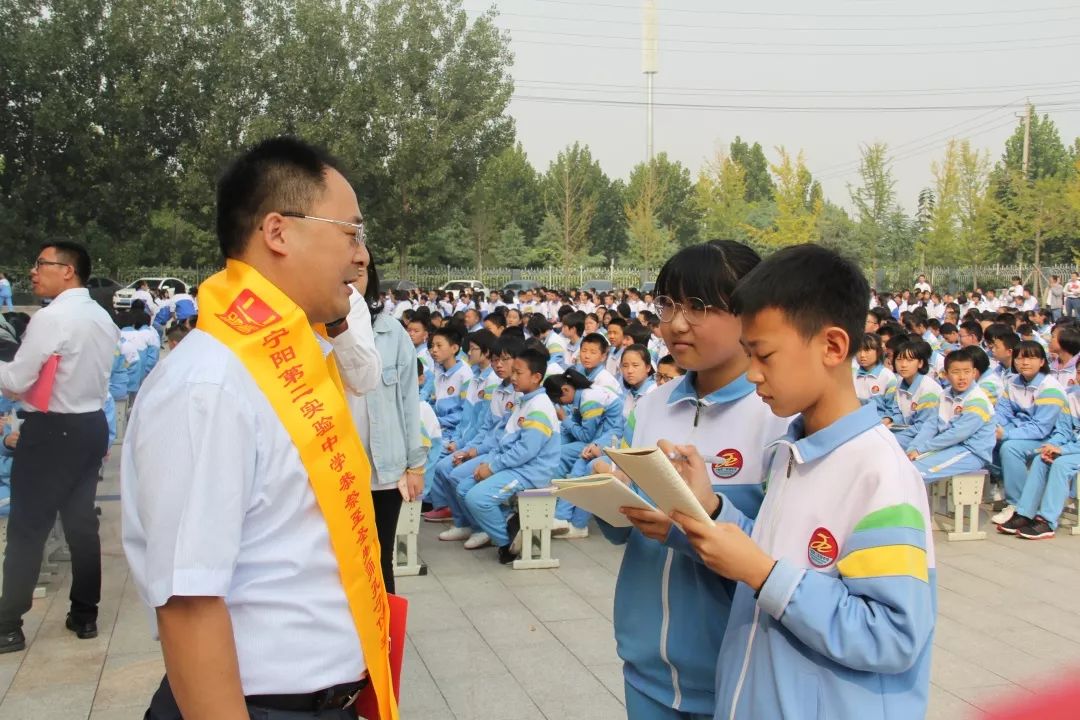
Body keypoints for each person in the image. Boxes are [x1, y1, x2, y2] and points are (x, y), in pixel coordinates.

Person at [121, 137, 398, 719]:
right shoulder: (211, 385)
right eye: (350, 233)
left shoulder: (295, 366)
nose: (361, 257)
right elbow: (189, 601)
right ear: (278, 232)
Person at [664, 244, 935, 720]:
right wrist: (711, 508)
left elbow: (893, 636)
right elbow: (773, 557)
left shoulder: (879, 474)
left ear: (832, 347)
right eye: (749, 354)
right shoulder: (793, 452)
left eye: (764, 355)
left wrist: (763, 576)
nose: (753, 374)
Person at [601, 241, 788, 720]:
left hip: (735, 676)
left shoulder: (777, 419)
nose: (677, 323)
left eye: (699, 306)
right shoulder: (650, 407)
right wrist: (608, 495)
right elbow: (621, 531)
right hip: (645, 666)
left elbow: (777, 559)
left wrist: (697, 521)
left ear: (748, 313)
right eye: (668, 304)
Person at [0, 241, 119, 653]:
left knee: (28, 528)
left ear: (67, 271)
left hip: (51, 432)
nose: (33, 272)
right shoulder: (102, 318)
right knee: (81, 525)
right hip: (90, 426)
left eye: (41, 264)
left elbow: (16, 380)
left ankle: (8, 625)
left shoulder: (53, 318)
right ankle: (85, 615)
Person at [344, 246, 424, 595]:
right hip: (337, 469)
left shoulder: (391, 332)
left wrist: (415, 465)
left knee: (379, 561)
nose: (353, 274)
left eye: (361, 268)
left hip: (383, 471)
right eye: (346, 267)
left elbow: (408, 401)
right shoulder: (310, 331)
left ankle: (383, 644)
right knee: (341, 563)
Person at [445, 347, 561, 562]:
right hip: (514, 465)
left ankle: (506, 543)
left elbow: (526, 451)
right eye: (513, 372)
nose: (513, 377)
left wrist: (492, 467)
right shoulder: (523, 400)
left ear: (536, 377)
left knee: (477, 498)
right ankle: (508, 523)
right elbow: (506, 440)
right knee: (463, 488)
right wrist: (489, 462)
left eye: (519, 373)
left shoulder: (539, 407)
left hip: (530, 471)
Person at [992, 341, 1068, 525]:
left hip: (1046, 438)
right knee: (987, 441)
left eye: (1031, 357)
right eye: (1020, 358)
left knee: (1010, 448)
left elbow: (1041, 427)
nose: (1025, 362)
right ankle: (1008, 486)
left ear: (1042, 361)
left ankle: (1017, 504)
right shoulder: (1012, 383)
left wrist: (1007, 434)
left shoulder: (1050, 388)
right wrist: (996, 428)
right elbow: (1002, 412)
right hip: (1020, 432)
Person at [1001, 384, 1080, 539]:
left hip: (1074, 450)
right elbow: (1062, 431)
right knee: (1041, 460)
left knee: (1061, 465)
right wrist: (1052, 447)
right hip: (1073, 449)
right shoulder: (1072, 398)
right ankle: (1025, 514)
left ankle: (1047, 521)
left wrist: (1063, 450)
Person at [905, 347, 995, 482]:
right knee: (906, 466)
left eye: (967, 372)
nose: (962, 377)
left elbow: (957, 434)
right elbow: (931, 425)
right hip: (949, 447)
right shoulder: (944, 394)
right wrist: (913, 448)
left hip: (971, 452)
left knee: (916, 473)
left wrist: (921, 449)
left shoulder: (977, 400)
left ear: (974, 373)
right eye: (956, 372)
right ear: (946, 375)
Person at [887, 339, 942, 450]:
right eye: (899, 359)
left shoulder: (928, 389)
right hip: (909, 432)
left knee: (886, 443)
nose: (903, 365)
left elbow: (923, 427)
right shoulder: (899, 383)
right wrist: (890, 420)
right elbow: (898, 413)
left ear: (920, 363)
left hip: (925, 437)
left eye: (909, 360)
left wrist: (893, 435)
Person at [853, 332, 899, 420]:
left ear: (878, 352)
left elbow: (891, 410)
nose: (862, 355)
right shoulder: (852, 375)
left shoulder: (888, 377)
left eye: (867, 350)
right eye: (859, 350)